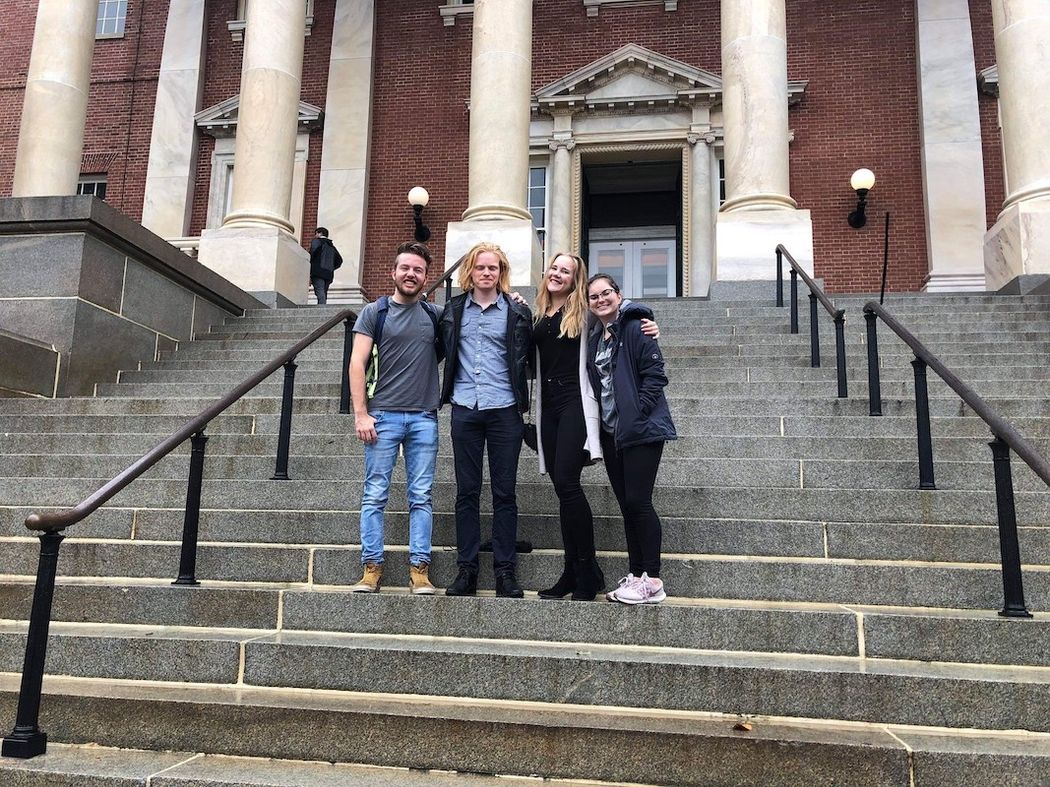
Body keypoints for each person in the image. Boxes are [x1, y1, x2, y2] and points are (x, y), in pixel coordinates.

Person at [530, 252, 659, 601]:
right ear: (546, 273)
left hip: (576, 403)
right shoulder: (538, 313)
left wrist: (647, 317)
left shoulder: (583, 313)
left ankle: (587, 571)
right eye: (554, 268)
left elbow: (618, 311)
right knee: (560, 487)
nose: (558, 274)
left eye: (566, 272)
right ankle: (571, 571)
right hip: (549, 407)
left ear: (576, 280)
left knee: (569, 483)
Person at [347, 241, 442, 595]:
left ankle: (420, 568)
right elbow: (357, 362)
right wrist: (361, 414)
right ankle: (371, 567)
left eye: (418, 270)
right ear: (393, 272)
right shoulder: (375, 312)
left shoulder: (435, 315)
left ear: (425, 277)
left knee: (421, 495)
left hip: (423, 418)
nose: (411, 274)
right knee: (375, 494)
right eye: (405, 268)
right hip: (382, 416)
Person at [438, 242, 533, 599]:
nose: (487, 273)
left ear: (501, 272)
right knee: (467, 492)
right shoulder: (452, 310)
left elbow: (537, 352)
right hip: (465, 408)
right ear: (471, 272)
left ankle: (505, 572)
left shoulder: (517, 311)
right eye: (481, 267)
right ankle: (467, 570)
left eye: (493, 268)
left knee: (504, 492)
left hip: (505, 409)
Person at [586, 273, 676, 605]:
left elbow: (656, 375)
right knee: (628, 506)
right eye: (593, 297)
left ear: (619, 295)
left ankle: (652, 579)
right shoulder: (596, 337)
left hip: (641, 430)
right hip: (612, 433)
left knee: (639, 502)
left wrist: (638, 413)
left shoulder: (637, 327)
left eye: (605, 293)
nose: (600, 300)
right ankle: (637, 576)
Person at [309, 227, 343, 305]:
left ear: (320, 233)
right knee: (324, 292)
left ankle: (321, 309)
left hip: (318, 272)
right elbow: (339, 261)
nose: (315, 235)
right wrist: (331, 268)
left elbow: (311, 254)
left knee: (320, 292)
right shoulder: (332, 246)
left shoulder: (317, 241)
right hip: (328, 274)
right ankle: (322, 307)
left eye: (316, 233)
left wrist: (310, 266)